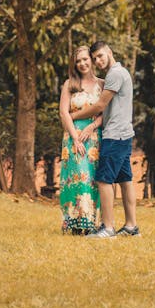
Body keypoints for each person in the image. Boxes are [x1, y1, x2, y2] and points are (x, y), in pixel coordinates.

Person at [70, 40, 140, 238]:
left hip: (115, 135)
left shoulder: (116, 74)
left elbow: (100, 105)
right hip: (124, 134)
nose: (98, 61)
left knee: (103, 180)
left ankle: (108, 228)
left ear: (109, 52)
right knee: (125, 180)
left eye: (100, 56)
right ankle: (131, 227)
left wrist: (73, 116)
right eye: (95, 58)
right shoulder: (118, 73)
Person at [59, 45, 103, 235]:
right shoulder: (70, 84)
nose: (83, 63)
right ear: (74, 64)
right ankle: (76, 223)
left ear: (91, 60)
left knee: (93, 179)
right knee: (77, 178)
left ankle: (92, 222)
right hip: (74, 137)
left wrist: (92, 126)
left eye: (85, 59)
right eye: (78, 61)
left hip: (94, 137)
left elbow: (106, 114)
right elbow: (63, 112)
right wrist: (76, 138)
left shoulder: (102, 84)